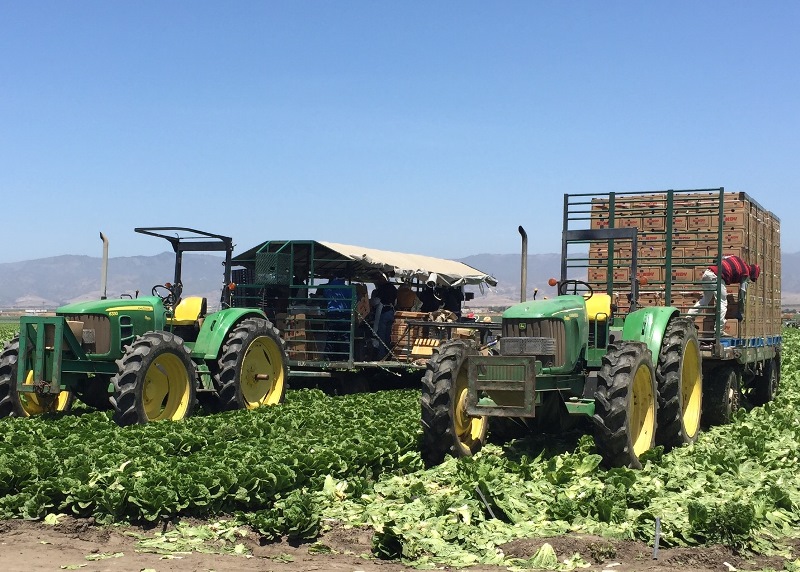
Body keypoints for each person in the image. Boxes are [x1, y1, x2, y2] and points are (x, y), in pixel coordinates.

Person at [687, 255, 760, 331]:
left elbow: (719, 257)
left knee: (705, 300)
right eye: (751, 278)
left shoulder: (736, 258)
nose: (749, 280)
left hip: (707, 273)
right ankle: (719, 330)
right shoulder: (746, 274)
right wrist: (740, 311)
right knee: (722, 303)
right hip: (716, 277)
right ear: (752, 273)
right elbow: (742, 293)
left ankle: (689, 318)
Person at [372, 274, 397, 359]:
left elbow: (376, 301)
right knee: (389, 335)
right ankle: (389, 354)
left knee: (381, 334)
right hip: (391, 311)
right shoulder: (393, 288)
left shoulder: (381, 288)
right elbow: (396, 301)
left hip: (383, 312)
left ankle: (381, 354)